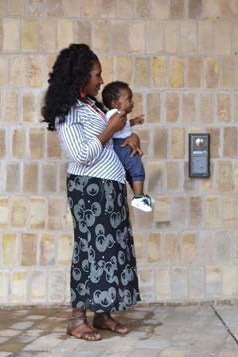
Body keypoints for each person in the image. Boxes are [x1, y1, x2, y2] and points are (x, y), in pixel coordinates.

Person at [41, 43, 141, 341]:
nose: (101, 80)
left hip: (110, 186)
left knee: (112, 249)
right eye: (97, 75)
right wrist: (110, 129)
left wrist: (130, 134)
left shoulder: (93, 106)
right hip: (89, 189)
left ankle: (103, 314)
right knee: (90, 249)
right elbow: (81, 154)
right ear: (80, 76)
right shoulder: (68, 110)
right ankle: (76, 318)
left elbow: (114, 138)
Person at [101, 81, 155, 212]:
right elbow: (113, 125)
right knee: (137, 168)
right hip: (120, 145)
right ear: (115, 103)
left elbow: (123, 125)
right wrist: (124, 112)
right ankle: (138, 198)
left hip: (122, 143)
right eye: (128, 99)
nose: (132, 102)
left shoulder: (120, 115)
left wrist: (134, 121)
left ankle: (140, 196)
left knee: (132, 170)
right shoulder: (115, 114)